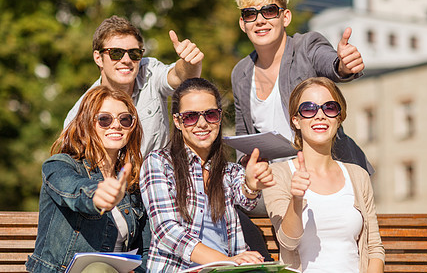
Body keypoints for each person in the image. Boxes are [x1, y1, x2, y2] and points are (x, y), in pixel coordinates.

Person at [232, 0, 373, 174]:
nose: (260, 20)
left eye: (270, 11)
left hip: (331, 173)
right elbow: (243, 134)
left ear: (286, 17)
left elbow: (328, 62)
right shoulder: (241, 72)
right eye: (250, 14)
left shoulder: (306, 46)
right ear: (243, 23)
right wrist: (247, 168)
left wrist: (343, 66)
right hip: (281, 180)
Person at [140, 78, 276, 272]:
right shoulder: (158, 163)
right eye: (190, 117)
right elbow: (167, 232)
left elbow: (245, 197)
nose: (202, 123)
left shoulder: (229, 171)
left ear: (219, 118)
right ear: (178, 121)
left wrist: (251, 186)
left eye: (211, 115)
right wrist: (229, 262)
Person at [262, 77, 385, 272]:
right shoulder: (278, 175)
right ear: (296, 121)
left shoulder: (358, 175)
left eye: (329, 108)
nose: (320, 116)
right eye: (309, 109)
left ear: (339, 118)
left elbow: (374, 249)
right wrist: (296, 199)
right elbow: (287, 242)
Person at [26, 86, 148, 273]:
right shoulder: (59, 166)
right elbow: (75, 190)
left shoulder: (132, 184)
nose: (116, 125)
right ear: (86, 124)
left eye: (125, 119)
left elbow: (144, 251)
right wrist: (99, 196)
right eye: (104, 119)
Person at [64, 15, 203, 157]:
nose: (126, 60)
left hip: (159, 177)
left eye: (134, 53)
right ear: (98, 58)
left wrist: (189, 62)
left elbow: (179, 76)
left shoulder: (149, 71)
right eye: (116, 53)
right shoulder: (78, 114)